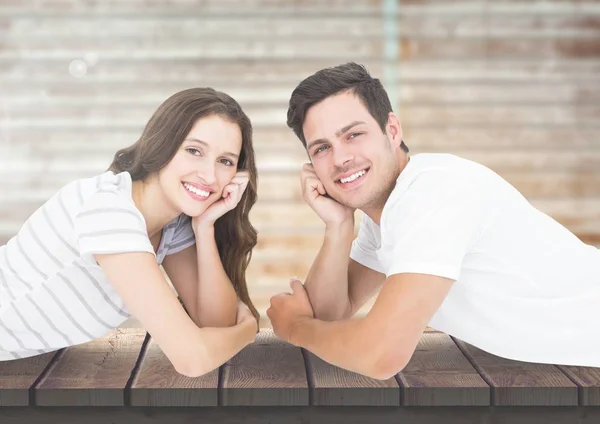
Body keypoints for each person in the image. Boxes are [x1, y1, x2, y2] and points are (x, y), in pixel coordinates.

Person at [266, 62, 600, 379]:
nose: (340, 158)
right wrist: (338, 227)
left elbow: (380, 354)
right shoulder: (385, 215)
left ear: (392, 130)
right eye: (322, 148)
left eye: (353, 135)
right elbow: (328, 318)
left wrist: (296, 328)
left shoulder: (436, 193)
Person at [0, 87, 260, 377]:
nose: (210, 176)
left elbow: (216, 324)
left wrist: (204, 228)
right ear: (162, 144)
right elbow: (193, 359)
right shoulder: (111, 209)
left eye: (225, 161)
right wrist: (248, 330)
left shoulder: (172, 224)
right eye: (194, 151)